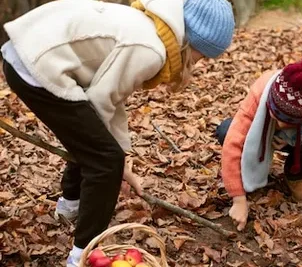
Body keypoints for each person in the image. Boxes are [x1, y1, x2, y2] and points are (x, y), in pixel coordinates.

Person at [1, 0, 235, 265]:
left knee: (98, 147)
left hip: (26, 53)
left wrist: (120, 152)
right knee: (104, 160)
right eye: (202, 55)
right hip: (37, 65)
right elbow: (99, 104)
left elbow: (112, 99)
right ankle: (82, 254)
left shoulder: (151, 28)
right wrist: (116, 164)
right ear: (191, 43)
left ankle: (69, 206)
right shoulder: (152, 50)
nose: (199, 63)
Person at [216, 54, 302, 231]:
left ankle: (295, 176)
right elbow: (233, 142)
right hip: (260, 133)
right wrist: (238, 199)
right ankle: (251, 167)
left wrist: (288, 138)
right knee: (225, 130)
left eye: (289, 120)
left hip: (295, 139)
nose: (282, 124)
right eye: (276, 115)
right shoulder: (260, 91)